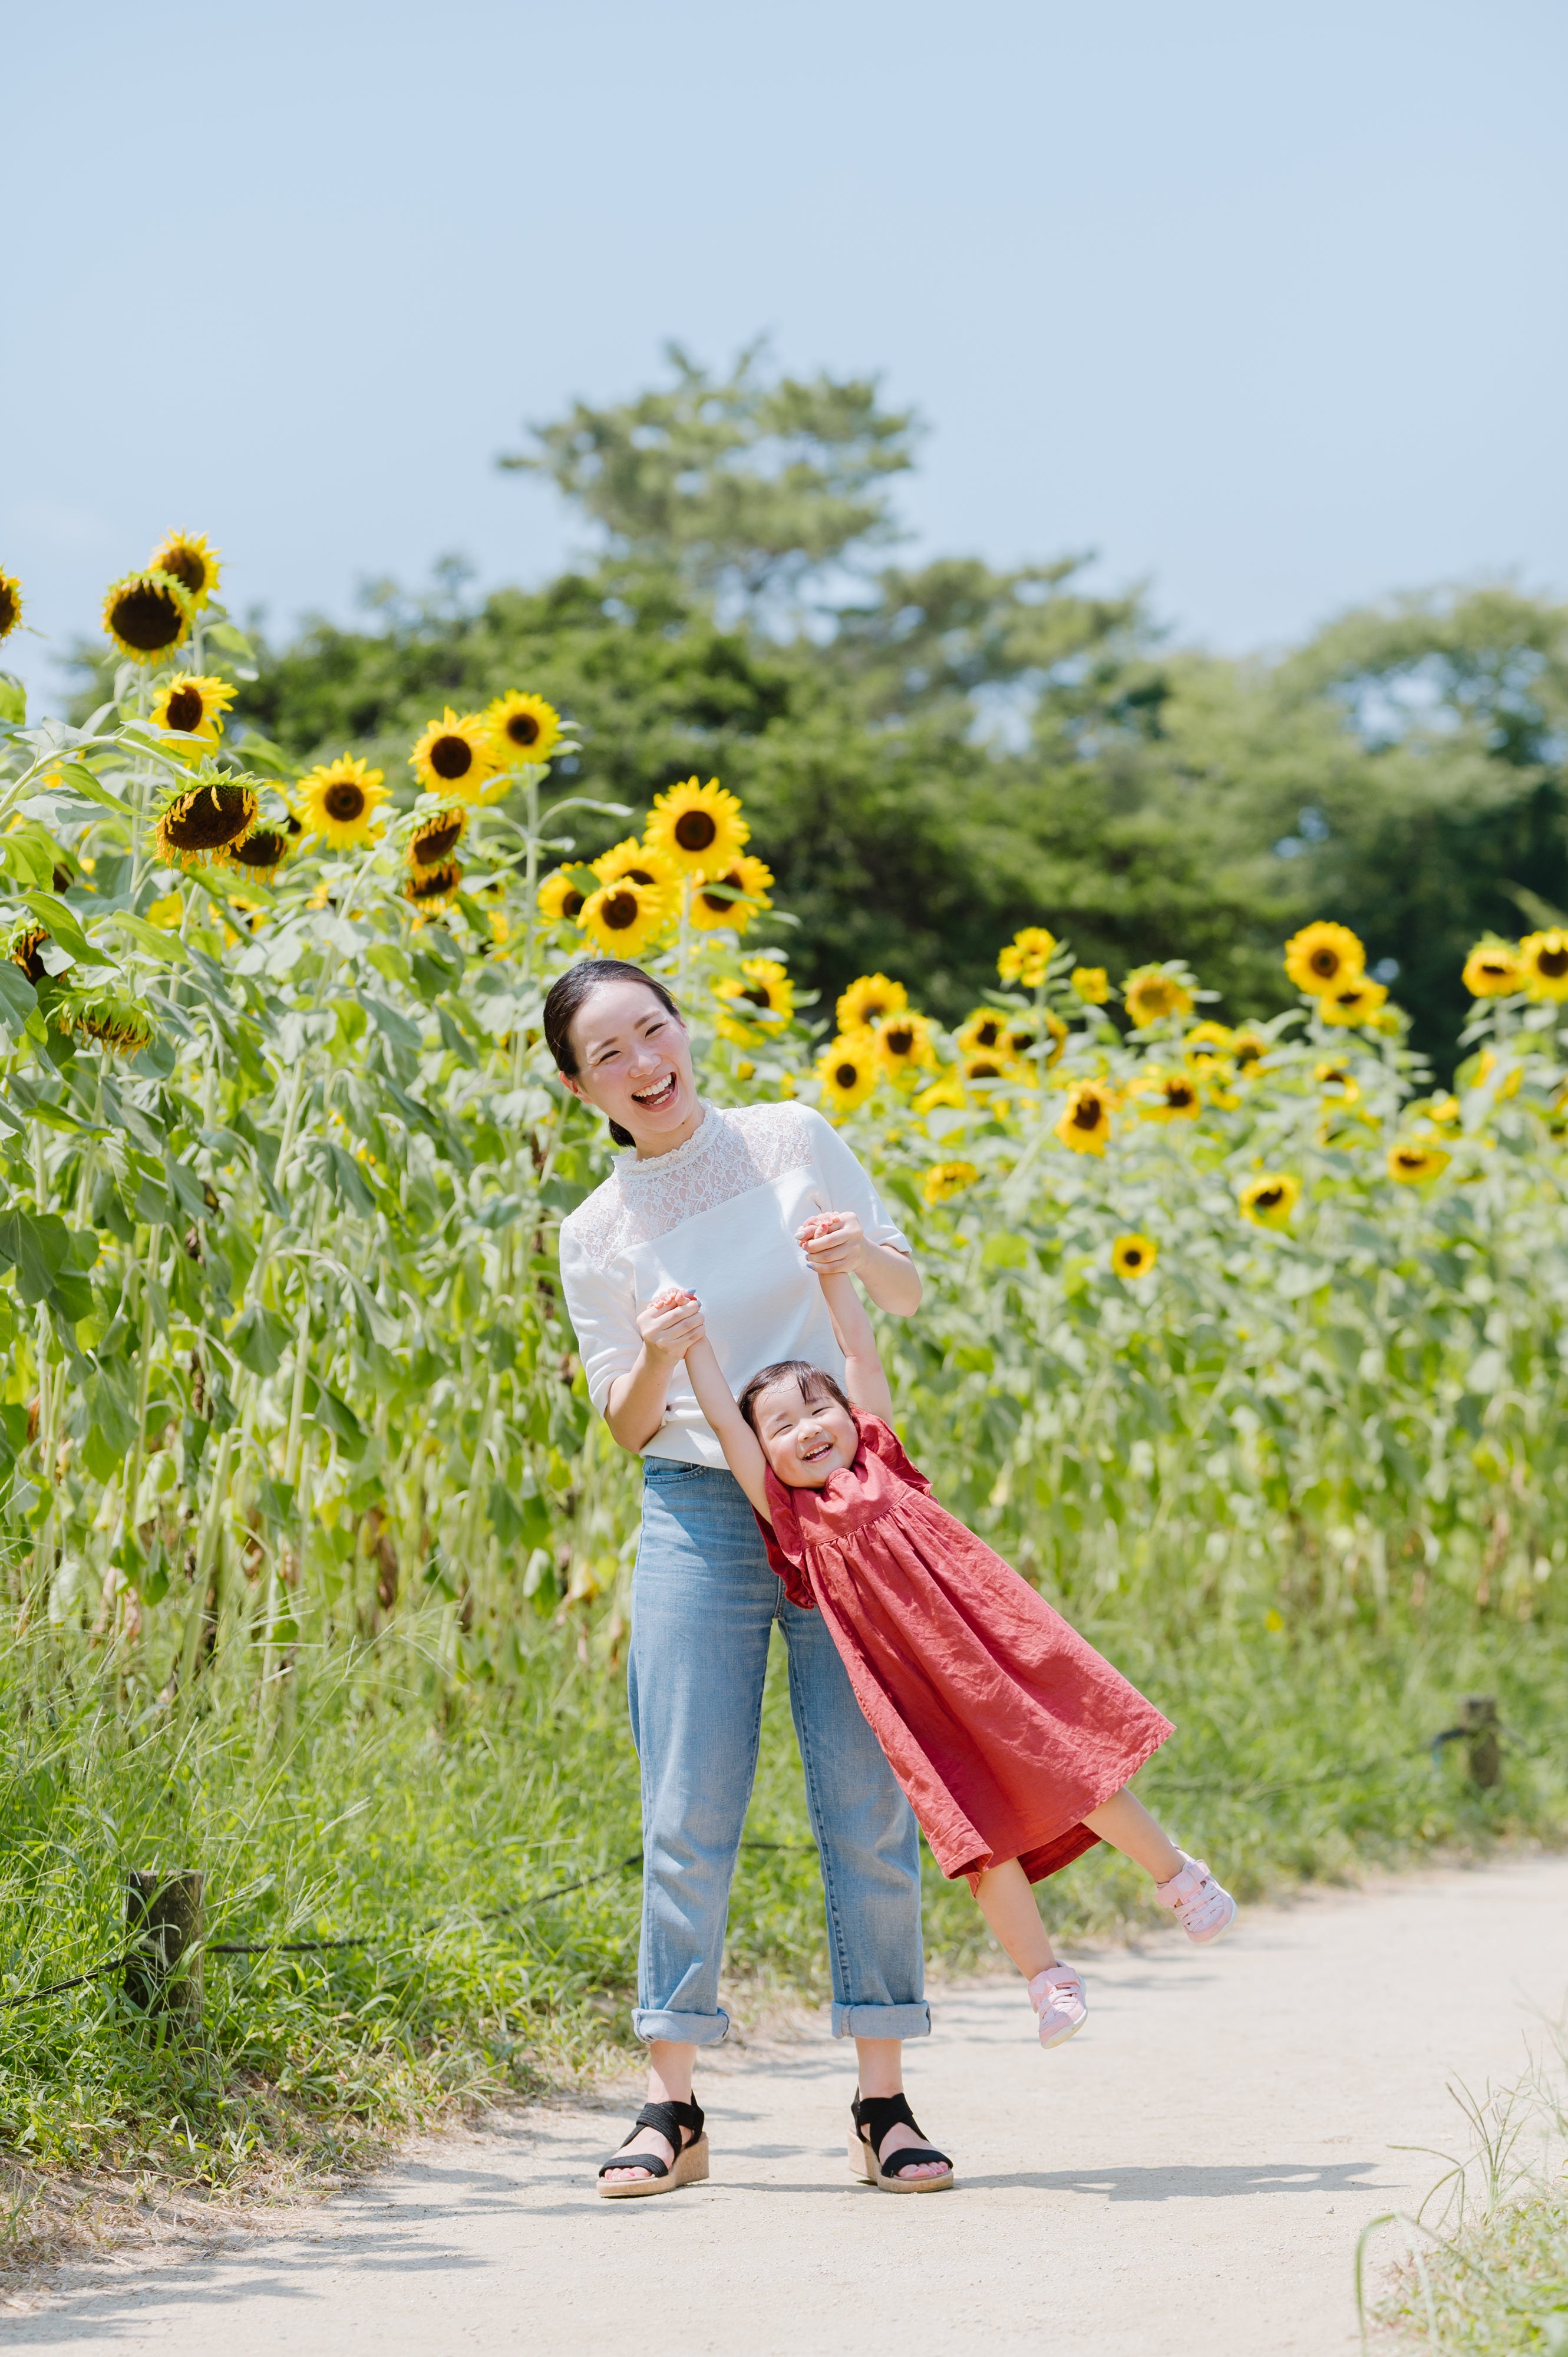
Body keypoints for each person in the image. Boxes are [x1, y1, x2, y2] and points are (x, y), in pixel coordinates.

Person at [655, 1231, 1236, 2111]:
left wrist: (834, 1278)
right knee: (972, 1837)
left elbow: (856, 1350)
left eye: (820, 1409)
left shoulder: (880, 1458)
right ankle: (1045, 1978)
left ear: (852, 1418)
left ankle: (1176, 1876)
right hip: (911, 1699)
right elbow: (726, 1426)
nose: (808, 1427)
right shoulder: (788, 1518)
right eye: (783, 1425)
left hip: (986, 1658)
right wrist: (693, 1347)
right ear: (763, 1453)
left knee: (1072, 1771)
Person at [547, 959, 952, 2200]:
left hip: (845, 1501)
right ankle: (671, 2104)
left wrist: (850, 1252)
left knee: (867, 1802)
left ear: (684, 1032)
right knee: (686, 1807)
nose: (641, 1064)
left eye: (652, 1030)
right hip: (695, 1511)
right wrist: (658, 1357)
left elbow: (902, 1287)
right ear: (578, 1088)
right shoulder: (593, 1229)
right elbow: (622, 1419)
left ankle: (882, 2099)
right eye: (606, 1053)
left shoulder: (790, 1136)